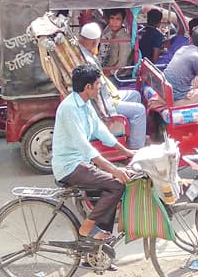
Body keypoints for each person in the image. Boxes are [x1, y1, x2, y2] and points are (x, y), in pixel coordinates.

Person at [52, 64, 134, 241]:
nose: (100, 87)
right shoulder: (69, 108)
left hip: (81, 162)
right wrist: (114, 170)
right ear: (87, 87)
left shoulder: (85, 104)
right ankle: (87, 229)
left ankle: (97, 246)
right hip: (70, 167)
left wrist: (127, 152)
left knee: (110, 191)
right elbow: (85, 147)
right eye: (97, 84)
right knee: (116, 184)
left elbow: (101, 131)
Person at [78, 23, 146, 150]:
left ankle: (132, 136)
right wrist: (104, 114)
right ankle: (136, 149)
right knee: (140, 110)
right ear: (94, 42)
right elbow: (97, 94)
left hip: (106, 95)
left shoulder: (82, 52)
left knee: (135, 94)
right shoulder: (89, 61)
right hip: (104, 103)